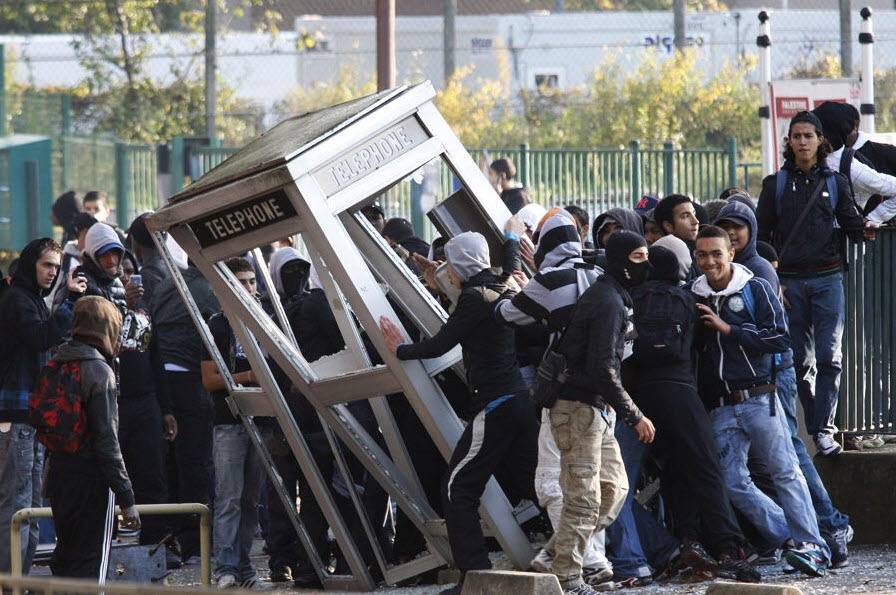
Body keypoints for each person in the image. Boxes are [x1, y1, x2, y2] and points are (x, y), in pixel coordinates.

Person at [379, 232, 538, 595]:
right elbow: (506, 265)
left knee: (457, 489)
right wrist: (512, 237)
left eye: (450, 266)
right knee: (535, 483)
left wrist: (399, 348)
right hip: (519, 403)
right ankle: (583, 558)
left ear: (460, 268)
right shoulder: (502, 287)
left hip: (495, 407)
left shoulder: (471, 299)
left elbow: (441, 344)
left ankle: (475, 577)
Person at [715, 201, 853, 567]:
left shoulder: (757, 272)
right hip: (744, 388)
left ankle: (827, 532)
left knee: (788, 462)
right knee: (745, 472)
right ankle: (805, 533)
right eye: (724, 227)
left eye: (737, 228)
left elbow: (775, 337)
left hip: (771, 379)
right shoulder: (719, 277)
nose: (731, 234)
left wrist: (731, 332)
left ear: (749, 232)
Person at [691, 225, 830, 578]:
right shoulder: (693, 295)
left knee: (785, 472)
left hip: (759, 397)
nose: (709, 262)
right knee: (732, 480)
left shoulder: (756, 288)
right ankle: (789, 538)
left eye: (716, 254)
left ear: (731, 254)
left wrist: (730, 329)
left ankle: (813, 546)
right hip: (721, 404)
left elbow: (782, 339)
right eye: (702, 255)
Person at [494, 211, 613, 589]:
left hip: (563, 397)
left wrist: (514, 284)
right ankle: (582, 555)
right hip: (605, 395)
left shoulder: (549, 280)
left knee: (554, 481)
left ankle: (582, 560)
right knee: (603, 484)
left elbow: (507, 312)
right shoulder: (601, 276)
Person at [631, 235, 759, 583]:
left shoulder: (633, 299)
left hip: (641, 398)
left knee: (672, 469)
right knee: (705, 468)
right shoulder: (689, 300)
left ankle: (686, 540)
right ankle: (730, 549)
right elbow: (705, 348)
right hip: (681, 392)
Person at [756, 110, 870, 457]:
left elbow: (853, 224)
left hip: (827, 279)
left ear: (820, 140)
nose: (803, 142)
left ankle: (824, 429)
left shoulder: (835, 182)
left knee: (830, 357)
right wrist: (773, 279)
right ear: (789, 142)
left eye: (809, 135)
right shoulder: (774, 184)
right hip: (789, 284)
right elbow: (762, 239)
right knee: (800, 362)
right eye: (797, 136)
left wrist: (872, 223)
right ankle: (817, 425)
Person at [548, 231, 656, 595]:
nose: (645, 265)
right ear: (622, 260)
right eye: (639, 257)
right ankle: (567, 576)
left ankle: (553, 558)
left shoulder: (611, 295)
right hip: (579, 410)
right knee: (585, 498)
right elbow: (602, 367)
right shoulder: (608, 301)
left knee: (615, 489)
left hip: (595, 410)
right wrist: (635, 414)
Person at [36, 296, 140, 578]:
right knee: (92, 562)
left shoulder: (55, 362)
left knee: (66, 556)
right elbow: (107, 442)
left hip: (57, 475)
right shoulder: (99, 370)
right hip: (92, 479)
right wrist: (127, 497)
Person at [0, 238, 85, 574]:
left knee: (32, 507)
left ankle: (22, 579)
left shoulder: (32, 299)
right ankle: (10, 582)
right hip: (14, 417)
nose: (52, 272)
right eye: (46, 265)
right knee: (17, 506)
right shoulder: (17, 299)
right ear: (30, 264)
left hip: (31, 418)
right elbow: (40, 337)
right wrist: (70, 302)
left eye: (56, 265)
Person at [201, 257, 266, 589]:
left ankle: (244, 565)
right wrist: (250, 376)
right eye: (242, 282)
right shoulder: (218, 325)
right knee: (229, 496)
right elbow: (210, 379)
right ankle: (226, 565)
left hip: (261, 418)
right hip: (228, 421)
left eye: (253, 281)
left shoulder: (265, 322)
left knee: (251, 499)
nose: (250, 288)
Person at [150, 258, 220, 564]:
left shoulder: (167, 284)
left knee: (171, 463)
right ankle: (195, 542)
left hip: (163, 380)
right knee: (195, 462)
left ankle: (175, 535)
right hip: (192, 380)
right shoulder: (208, 290)